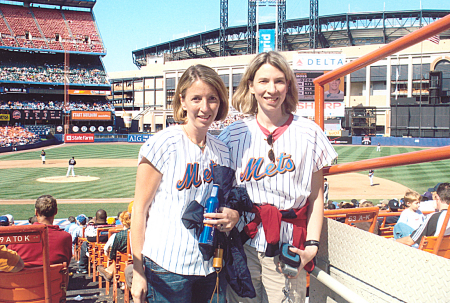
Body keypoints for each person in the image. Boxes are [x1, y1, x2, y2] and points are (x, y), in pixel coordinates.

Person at [218, 51, 338, 303]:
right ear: (250, 85)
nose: (271, 89)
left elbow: (316, 197)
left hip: (288, 247)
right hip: (243, 244)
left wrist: (312, 246)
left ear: (288, 86)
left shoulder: (309, 133)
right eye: (263, 81)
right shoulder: (232, 134)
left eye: (279, 81)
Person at [131, 64, 239, 303]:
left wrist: (232, 215)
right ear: (183, 101)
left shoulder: (221, 149)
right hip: (167, 266)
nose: (205, 107)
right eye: (196, 98)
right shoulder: (163, 143)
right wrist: (138, 272)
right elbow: (139, 210)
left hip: (207, 265)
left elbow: (225, 200)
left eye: (212, 98)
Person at [7, 195, 72, 267]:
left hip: (24, 277)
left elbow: (8, 263)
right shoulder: (65, 237)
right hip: (55, 278)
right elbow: (66, 263)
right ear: (56, 211)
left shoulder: (19, 237)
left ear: (36, 212)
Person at [97, 209, 132, 281]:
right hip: (133, 261)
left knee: (118, 257)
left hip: (124, 264)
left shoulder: (118, 235)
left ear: (122, 222)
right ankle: (109, 270)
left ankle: (109, 270)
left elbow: (111, 253)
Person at [78, 209, 109, 274]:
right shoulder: (112, 228)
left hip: (96, 252)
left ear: (96, 218)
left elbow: (88, 236)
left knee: (84, 244)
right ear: (106, 218)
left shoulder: (92, 228)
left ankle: (82, 267)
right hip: (107, 251)